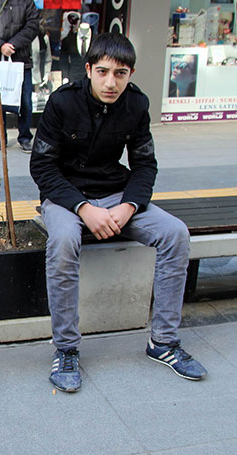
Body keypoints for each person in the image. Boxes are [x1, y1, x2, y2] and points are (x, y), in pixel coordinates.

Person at [29, 32, 207, 393]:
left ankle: (163, 342)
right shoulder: (62, 103)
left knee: (175, 233)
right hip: (66, 197)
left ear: (131, 74)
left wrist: (128, 206)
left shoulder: (137, 105)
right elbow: (43, 168)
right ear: (89, 69)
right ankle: (66, 349)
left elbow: (145, 165)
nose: (111, 82)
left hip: (117, 194)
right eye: (104, 72)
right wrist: (83, 208)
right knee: (63, 240)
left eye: (121, 74)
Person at [0, 0, 39, 153]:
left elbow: (33, 25)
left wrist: (13, 45)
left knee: (25, 102)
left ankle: (25, 137)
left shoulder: (26, 2)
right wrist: (0, 46)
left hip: (21, 59)